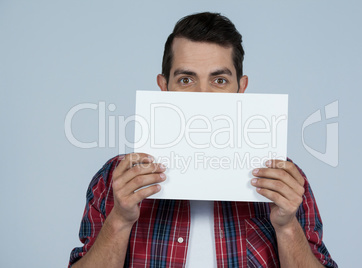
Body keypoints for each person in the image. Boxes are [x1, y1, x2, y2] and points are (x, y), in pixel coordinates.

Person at [69, 12, 337, 268]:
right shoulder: (114, 179)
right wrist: (119, 220)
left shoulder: (283, 180)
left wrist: (287, 225)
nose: (202, 95)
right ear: (164, 88)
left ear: (240, 88)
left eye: (219, 80)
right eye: (186, 79)